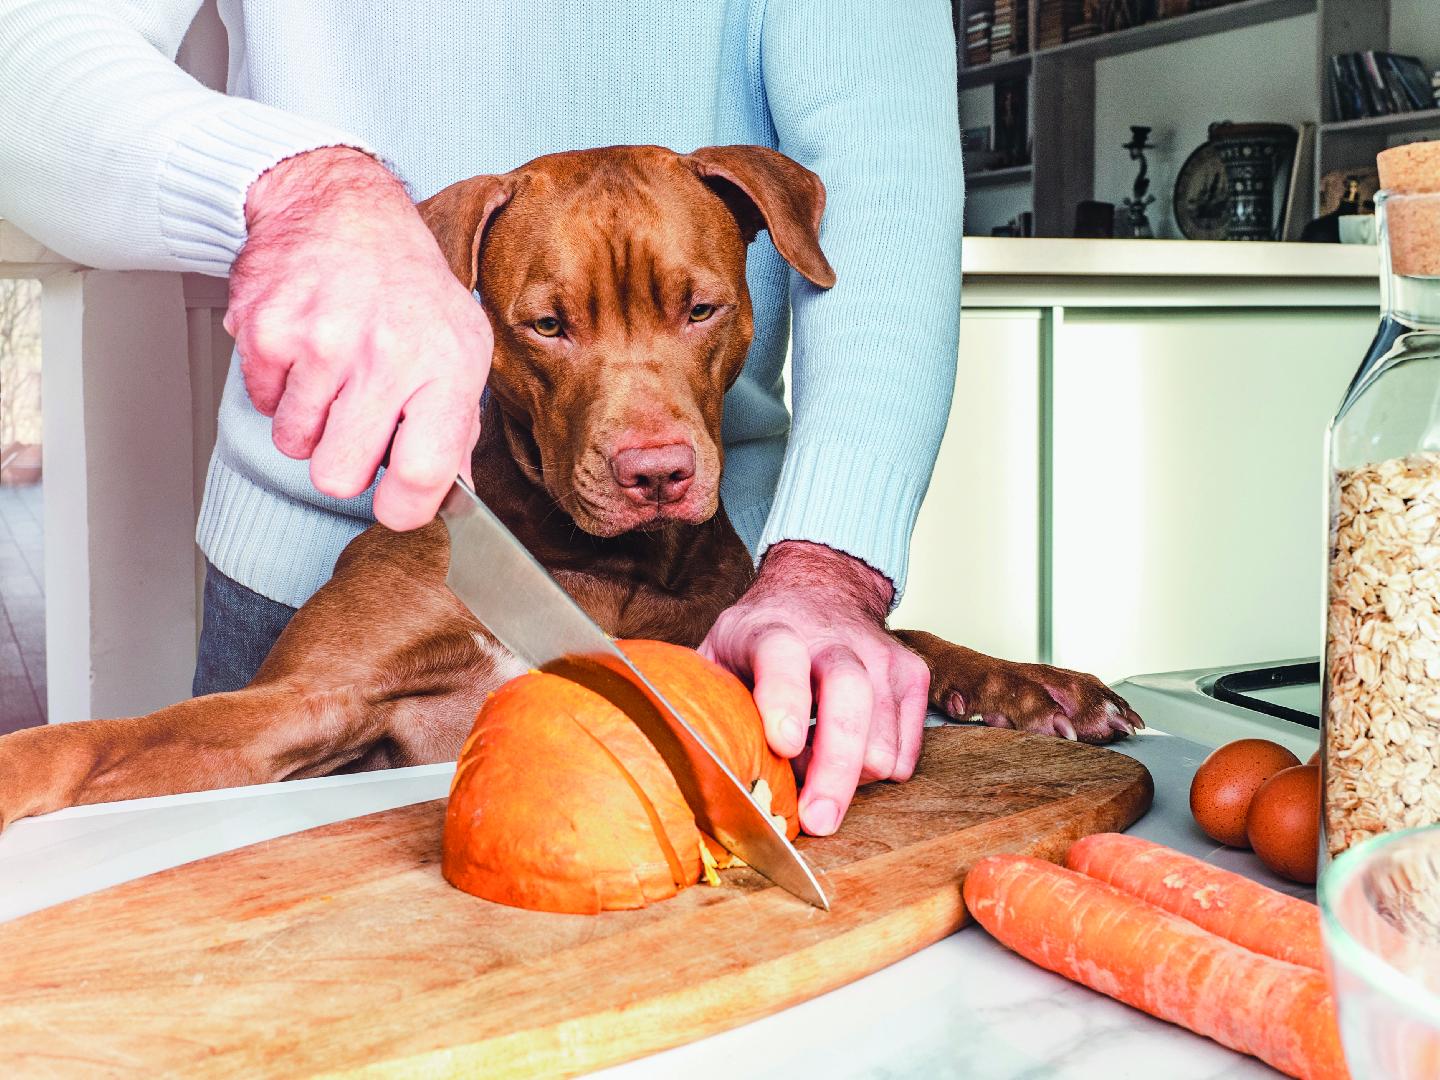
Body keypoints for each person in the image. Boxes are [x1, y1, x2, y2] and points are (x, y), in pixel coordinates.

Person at [0, 1, 962, 837]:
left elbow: (886, 153)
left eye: (699, 309)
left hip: (729, 581)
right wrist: (295, 183)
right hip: (344, 525)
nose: (645, 438)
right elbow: (25, 40)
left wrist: (834, 561)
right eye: (547, 326)